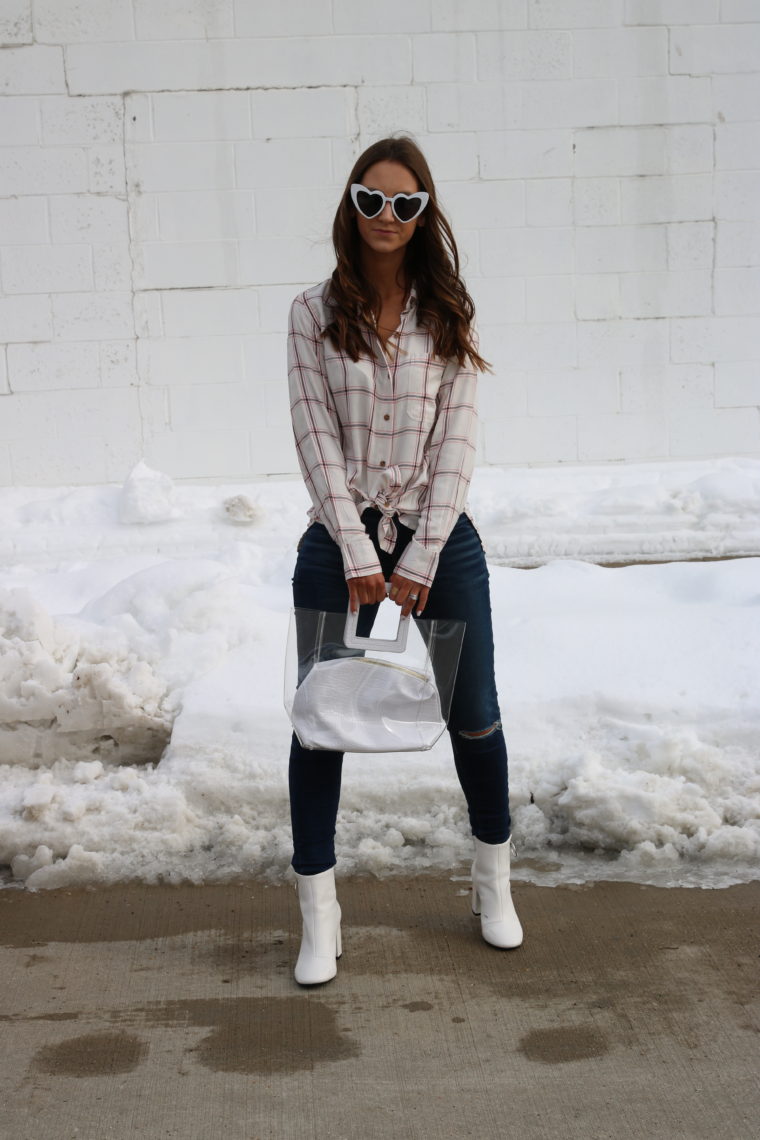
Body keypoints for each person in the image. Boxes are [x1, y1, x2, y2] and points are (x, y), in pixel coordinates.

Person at [286, 135, 522, 986]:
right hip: (338, 542)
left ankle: (493, 885)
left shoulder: (447, 312)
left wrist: (419, 559)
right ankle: (320, 914)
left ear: (425, 215)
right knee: (321, 724)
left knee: (476, 714)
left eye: (405, 203)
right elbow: (313, 435)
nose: (388, 217)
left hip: (440, 540)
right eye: (372, 199)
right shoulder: (311, 313)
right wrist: (356, 547)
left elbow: (458, 442)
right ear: (351, 206)